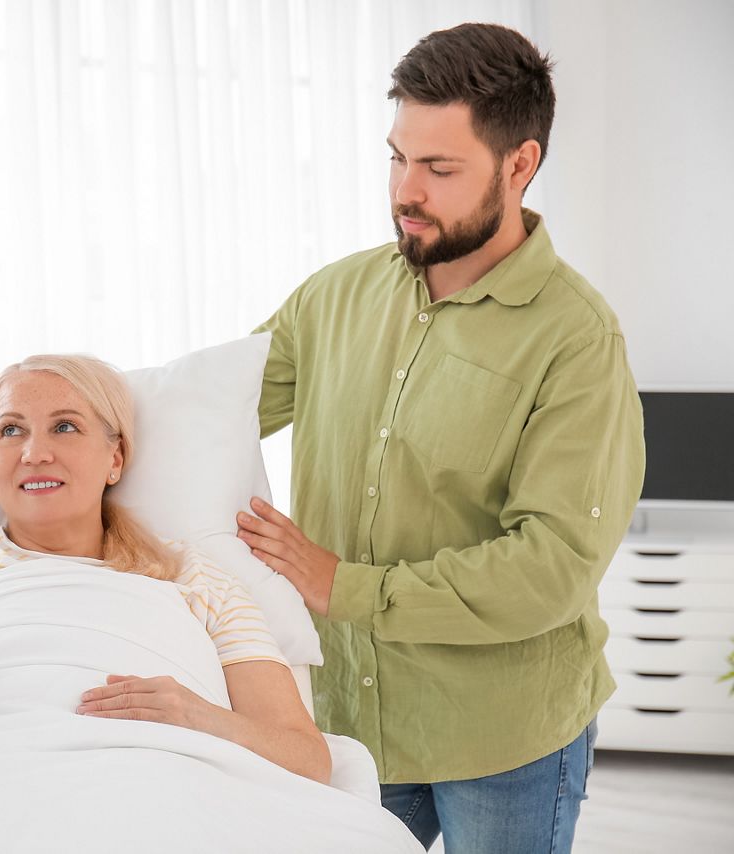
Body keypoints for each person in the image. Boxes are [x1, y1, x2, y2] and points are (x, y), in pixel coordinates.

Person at [234, 23, 646, 853]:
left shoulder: (576, 339)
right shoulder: (334, 297)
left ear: (519, 165)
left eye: (439, 168)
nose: (404, 190)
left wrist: (346, 586)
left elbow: (552, 567)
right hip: (350, 723)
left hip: (503, 737)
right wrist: (25, 396)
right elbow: (205, 406)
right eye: (397, 157)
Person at [0, 354, 333, 810]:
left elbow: (307, 756)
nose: (34, 453)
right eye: (11, 430)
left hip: (169, 788)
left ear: (115, 459)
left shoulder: (199, 579)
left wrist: (201, 717)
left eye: (65, 427)